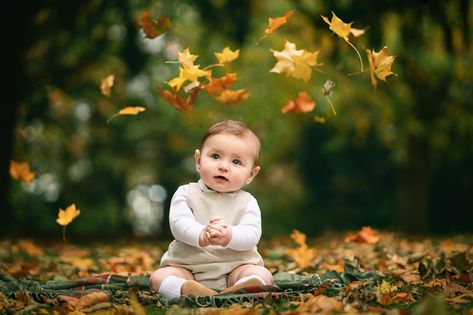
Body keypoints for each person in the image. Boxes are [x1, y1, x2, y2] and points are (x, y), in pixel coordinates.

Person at [149, 120, 273, 299]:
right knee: (158, 277)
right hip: (188, 266)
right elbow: (178, 224)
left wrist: (229, 235)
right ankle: (186, 289)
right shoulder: (186, 193)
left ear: (251, 174)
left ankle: (242, 288)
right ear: (198, 161)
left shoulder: (248, 202)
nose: (223, 166)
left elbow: (252, 233)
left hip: (235, 266)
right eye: (215, 156)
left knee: (262, 274)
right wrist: (201, 234)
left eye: (236, 161)